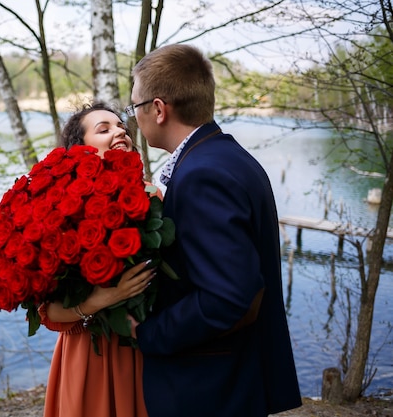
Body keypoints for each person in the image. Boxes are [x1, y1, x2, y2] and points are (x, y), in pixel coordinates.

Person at [127, 44, 303, 416]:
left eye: (135, 107)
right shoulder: (226, 156)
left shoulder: (202, 175)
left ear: (158, 110)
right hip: (233, 377)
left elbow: (228, 297)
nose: (135, 117)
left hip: (209, 388)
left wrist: (147, 332)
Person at [39, 102, 154, 417]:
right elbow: (47, 313)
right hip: (88, 353)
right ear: (81, 149)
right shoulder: (60, 213)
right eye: (104, 129)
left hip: (144, 347)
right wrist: (103, 299)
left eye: (122, 127)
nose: (119, 132)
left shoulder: (155, 200)